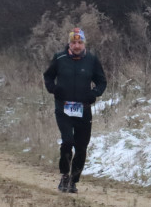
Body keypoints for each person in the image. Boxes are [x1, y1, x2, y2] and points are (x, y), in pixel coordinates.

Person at [43, 28, 107, 193]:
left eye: (79, 42)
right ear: (69, 44)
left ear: (84, 43)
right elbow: (48, 76)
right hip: (63, 108)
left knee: (81, 147)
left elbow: (101, 82)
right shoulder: (60, 58)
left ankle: (73, 180)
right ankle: (64, 174)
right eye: (73, 42)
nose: (76, 46)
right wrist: (54, 89)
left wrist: (94, 94)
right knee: (68, 141)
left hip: (83, 110)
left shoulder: (92, 60)